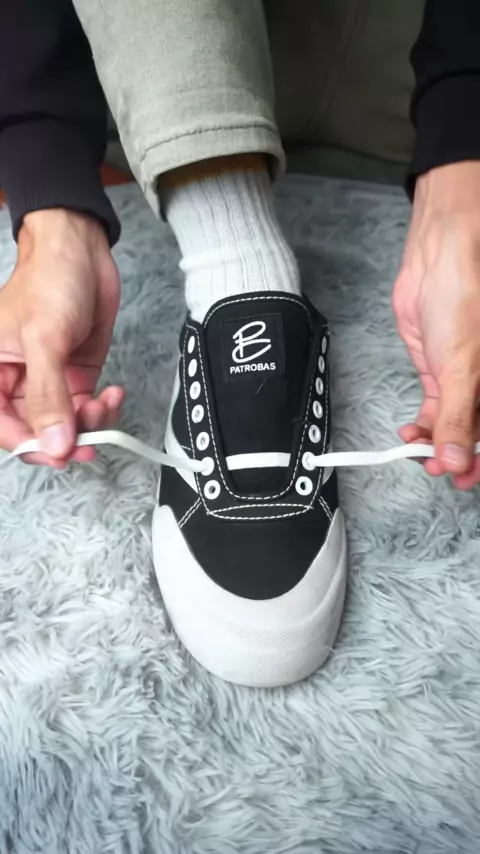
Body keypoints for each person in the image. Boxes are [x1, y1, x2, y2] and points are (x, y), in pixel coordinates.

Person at [1, 0, 480, 685]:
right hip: (143, 74)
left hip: (385, 79)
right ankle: (235, 261)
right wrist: (52, 219)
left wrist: (462, 192)